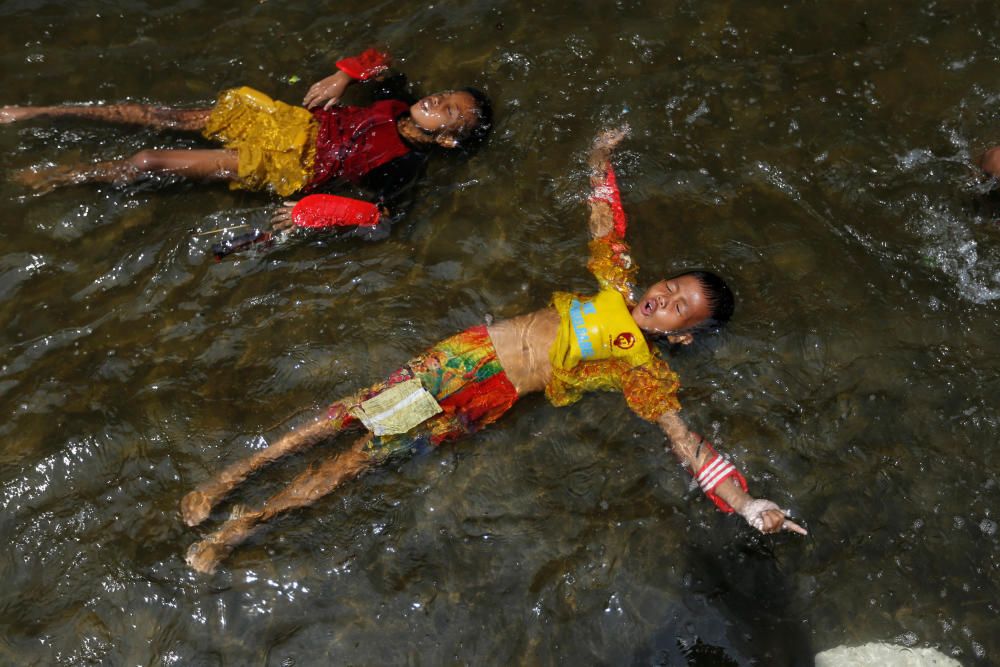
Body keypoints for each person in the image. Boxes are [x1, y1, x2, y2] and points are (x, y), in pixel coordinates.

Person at [179, 127, 807, 574]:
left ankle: (239, 529)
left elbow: (686, 441)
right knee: (350, 413)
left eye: (678, 308)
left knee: (361, 458)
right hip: (465, 356)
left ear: (681, 337)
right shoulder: (614, 281)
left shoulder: (638, 368)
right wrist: (597, 159)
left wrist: (748, 503)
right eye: (670, 286)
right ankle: (229, 479)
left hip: (487, 397)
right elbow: (606, 222)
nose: (663, 298)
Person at [2, 48, 493, 238]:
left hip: (293, 163)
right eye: (446, 93)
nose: (439, 99)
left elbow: (383, 215)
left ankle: (57, 178)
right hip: (290, 123)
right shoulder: (396, 100)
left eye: (451, 111)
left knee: (152, 160)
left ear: (448, 141)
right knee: (163, 116)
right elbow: (381, 60)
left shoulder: (404, 164)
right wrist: (343, 77)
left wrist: (313, 211)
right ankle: (40, 112)